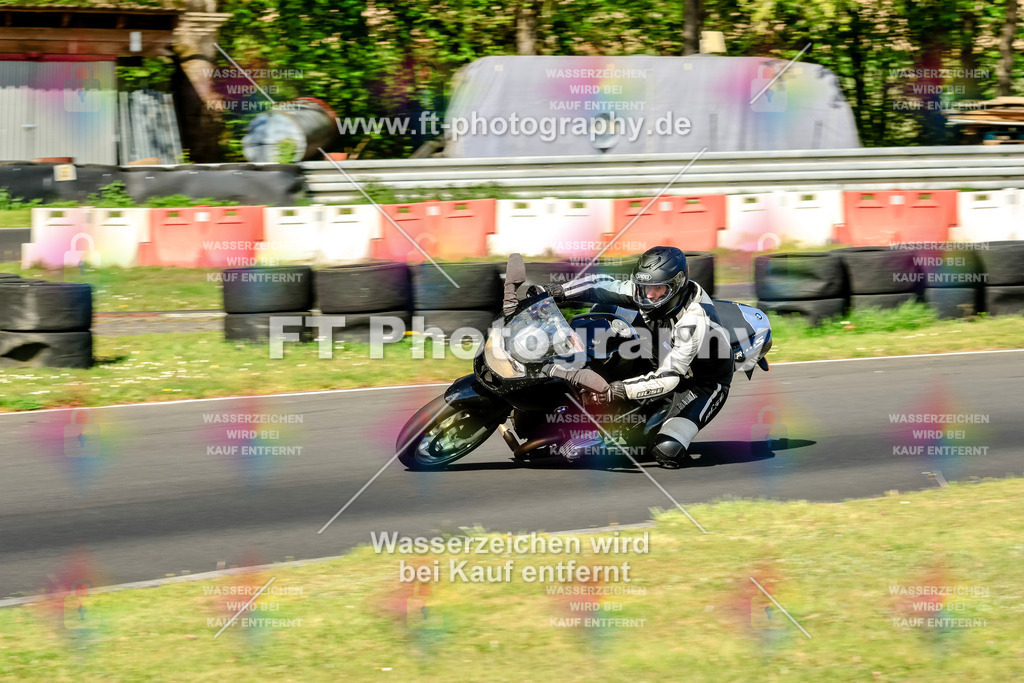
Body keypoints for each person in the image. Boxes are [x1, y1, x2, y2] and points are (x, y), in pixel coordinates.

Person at [547, 246, 733, 468]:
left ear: (677, 285)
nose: (649, 295)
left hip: (700, 382)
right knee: (603, 309)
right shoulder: (645, 291)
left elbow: (670, 379)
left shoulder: (694, 320)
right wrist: (558, 291)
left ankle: (622, 434)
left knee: (666, 450)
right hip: (660, 349)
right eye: (644, 287)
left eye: (658, 288)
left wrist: (617, 390)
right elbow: (602, 284)